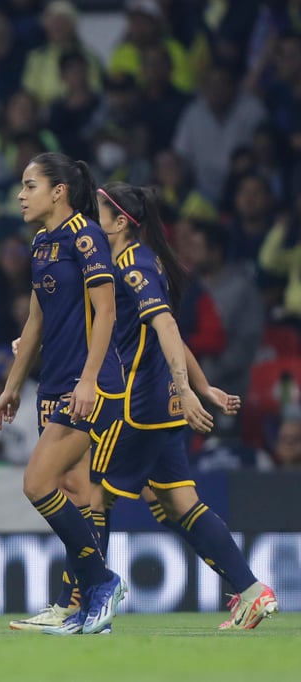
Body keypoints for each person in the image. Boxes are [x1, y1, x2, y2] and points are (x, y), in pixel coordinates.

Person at [90, 181, 278, 630]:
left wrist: (189, 389)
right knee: (177, 502)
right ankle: (252, 591)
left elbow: (167, 327)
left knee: (92, 495)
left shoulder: (132, 264)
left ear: (120, 222)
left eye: (99, 211)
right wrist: (201, 385)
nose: (92, 219)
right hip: (162, 403)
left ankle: (87, 600)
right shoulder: (136, 261)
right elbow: (166, 331)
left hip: (140, 404)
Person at [0, 152, 126, 636]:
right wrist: (13, 385)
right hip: (54, 386)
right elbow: (36, 321)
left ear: (59, 192)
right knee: (74, 493)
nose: (21, 195)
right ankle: (76, 607)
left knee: (37, 483)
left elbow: (106, 312)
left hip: (88, 385)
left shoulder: (86, 235)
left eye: (30, 186)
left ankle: (101, 583)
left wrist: (89, 380)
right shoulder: (42, 243)